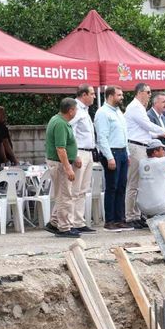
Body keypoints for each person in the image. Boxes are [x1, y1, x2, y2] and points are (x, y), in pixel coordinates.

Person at [125, 83, 165, 229]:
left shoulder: (140, 108)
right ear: (140, 92)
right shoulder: (135, 107)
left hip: (142, 145)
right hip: (136, 146)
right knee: (133, 183)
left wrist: (163, 132)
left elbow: (148, 131)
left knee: (140, 183)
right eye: (148, 92)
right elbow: (148, 125)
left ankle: (136, 214)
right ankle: (130, 216)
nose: (149, 95)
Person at [94, 86, 133, 232]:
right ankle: (110, 221)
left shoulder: (118, 112)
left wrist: (127, 153)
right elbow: (102, 137)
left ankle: (120, 219)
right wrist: (109, 157)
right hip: (112, 152)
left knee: (121, 186)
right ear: (110, 96)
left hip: (122, 151)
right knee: (112, 187)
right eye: (119, 94)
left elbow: (124, 134)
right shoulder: (102, 113)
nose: (122, 97)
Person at [45, 98, 80, 238]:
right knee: (65, 196)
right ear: (70, 110)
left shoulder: (59, 120)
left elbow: (68, 145)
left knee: (61, 194)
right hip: (59, 164)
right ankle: (64, 227)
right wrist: (68, 168)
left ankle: (54, 222)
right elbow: (61, 149)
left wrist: (74, 157)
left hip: (60, 163)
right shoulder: (60, 123)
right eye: (76, 109)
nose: (76, 111)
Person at [69, 84, 97, 234]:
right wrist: (75, 154)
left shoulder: (85, 110)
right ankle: (71, 222)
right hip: (80, 151)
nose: (94, 96)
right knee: (75, 188)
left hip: (89, 151)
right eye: (92, 93)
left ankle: (79, 221)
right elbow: (71, 132)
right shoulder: (76, 109)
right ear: (84, 94)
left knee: (83, 188)